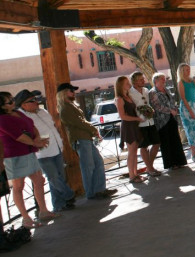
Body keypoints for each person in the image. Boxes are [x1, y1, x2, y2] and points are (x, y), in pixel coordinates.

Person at [0, 91, 57, 228]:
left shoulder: (18, 113)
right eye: (10, 101)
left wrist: (36, 138)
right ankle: (26, 218)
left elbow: (31, 125)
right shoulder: (2, 119)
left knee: (39, 180)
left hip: (28, 151)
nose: (14, 102)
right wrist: (35, 143)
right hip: (14, 155)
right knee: (19, 186)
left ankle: (43, 210)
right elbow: (17, 136)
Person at [15, 89, 76, 212]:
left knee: (59, 177)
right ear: (23, 104)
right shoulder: (21, 117)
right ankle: (69, 194)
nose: (36, 102)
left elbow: (53, 127)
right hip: (42, 153)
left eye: (36, 99)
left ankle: (59, 205)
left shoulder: (43, 111)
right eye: (32, 101)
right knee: (53, 177)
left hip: (57, 148)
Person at [57, 83, 117, 200]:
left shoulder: (71, 106)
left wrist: (92, 131)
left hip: (85, 138)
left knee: (98, 162)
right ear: (63, 93)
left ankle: (99, 189)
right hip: (80, 139)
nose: (73, 93)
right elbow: (79, 122)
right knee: (88, 166)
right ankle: (91, 192)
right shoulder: (65, 108)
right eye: (70, 91)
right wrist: (94, 129)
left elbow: (81, 122)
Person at [149, 73, 187, 170]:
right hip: (161, 121)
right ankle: (171, 164)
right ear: (156, 81)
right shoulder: (153, 92)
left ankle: (180, 161)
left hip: (171, 118)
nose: (164, 80)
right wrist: (170, 110)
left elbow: (172, 101)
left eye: (164, 78)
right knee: (166, 142)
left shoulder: (167, 90)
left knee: (175, 140)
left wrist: (174, 109)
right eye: (162, 79)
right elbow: (157, 106)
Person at [128, 72, 161, 177]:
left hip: (151, 120)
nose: (143, 81)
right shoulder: (130, 93)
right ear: (135, 81)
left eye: (143, 79)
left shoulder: (146, 90)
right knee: (144, 146)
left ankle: (149, 166)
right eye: (141, 79)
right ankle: (150, 168)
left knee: (157, 143)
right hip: (140, 123)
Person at [115, 76, 144, 183]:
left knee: (135, 151)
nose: (129, 84)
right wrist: (136, 118)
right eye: (126, 83)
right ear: (120, 85)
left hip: (134, 125)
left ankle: (135, 174)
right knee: (131, 151)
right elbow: (122, 116)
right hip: (128, 127)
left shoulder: (128, 97)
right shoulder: (119, 99)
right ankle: (132, 176)